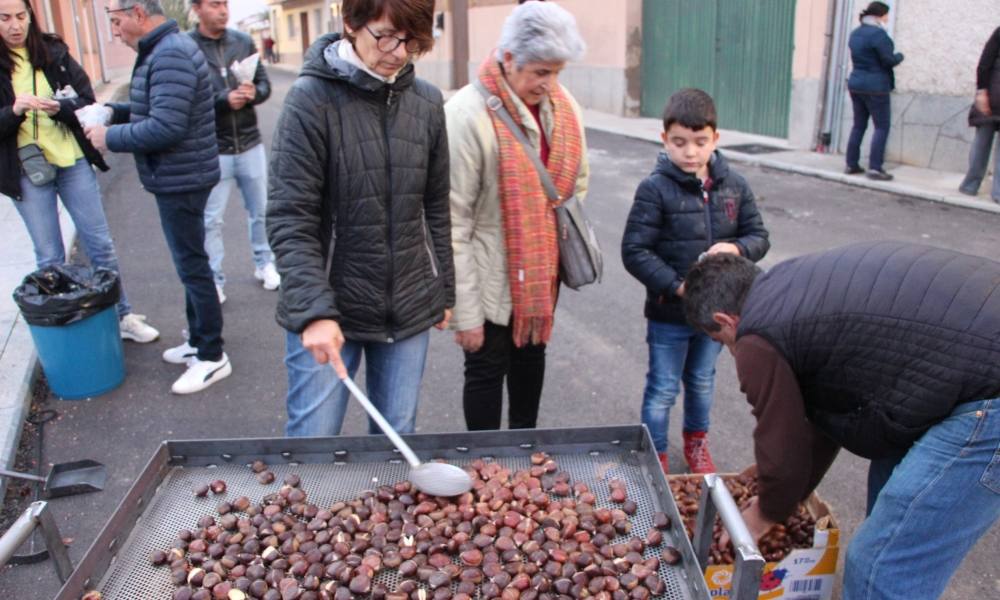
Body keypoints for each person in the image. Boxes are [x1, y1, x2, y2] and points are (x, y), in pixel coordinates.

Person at [682, 242, 1000, 600]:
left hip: (988, 396)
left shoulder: (756, 336)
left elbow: (783, 447)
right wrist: (782, 487)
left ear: (726, 320)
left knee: (880, 563)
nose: (727, 348)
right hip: (964, 370)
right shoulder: (788, 287)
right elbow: (822, 421)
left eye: (718, 339)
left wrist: (761, 516)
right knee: (888, 513)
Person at [267, 0, 454, 437]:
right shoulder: (310, 101)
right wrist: (313, 312)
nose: (398, 51)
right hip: (331, 306)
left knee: (396, 439)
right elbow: (289, 216)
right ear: (351, 23)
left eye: (412, 40)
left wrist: (444, 286)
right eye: (386, 35)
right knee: (313, 440)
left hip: (407, 303)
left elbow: (436, 205)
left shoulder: (426, 102)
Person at [446, 2, 589, 432]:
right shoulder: (467, 114)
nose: (549, 84)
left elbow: (575, 187)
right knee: (486, 374)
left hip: (539, 279)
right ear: (508, 59)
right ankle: (486, 465)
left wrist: (544, 237)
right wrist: (465, 312)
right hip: (489, 280)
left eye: (557, 72)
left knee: (531, 367)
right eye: (540, 72)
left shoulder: (565, 109)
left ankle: (523, 462)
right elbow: (454, 221)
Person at [621, 89, 769, 474]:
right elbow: (635, 251)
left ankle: (696, 445)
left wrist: (736, 249)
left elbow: (759, 236)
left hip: (715, 317)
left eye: (700, 143)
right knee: (663, 388)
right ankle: (654, 456)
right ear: (664, 139)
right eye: (680, 143)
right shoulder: (654, 190)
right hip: (669, 313)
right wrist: (677, 286)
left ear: (715, 140)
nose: (690, 153)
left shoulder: (733, 185)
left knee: (702, 381)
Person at [85, 0, 229, 395]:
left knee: (193, 267)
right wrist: (113, 112)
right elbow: (156, 107)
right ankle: (198, 341)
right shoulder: (164, 51)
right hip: (181, 175)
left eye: (116, 22)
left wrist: (108, 137)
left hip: (183, 178)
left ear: (139, 15)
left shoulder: (169, 55)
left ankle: (212, 355)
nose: (115, 31)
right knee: (190, 264)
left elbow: (166, 127)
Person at [0, 0, 159, 344]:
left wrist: (60, 108)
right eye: (5, 18)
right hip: (27, 170)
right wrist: (14, 110)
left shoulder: (53, 50)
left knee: (100, 244)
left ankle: (122, 315)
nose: (15, 25)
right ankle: (65, 330)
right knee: (50, 255)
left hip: (71, 160)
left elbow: (87, 100)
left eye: (21, 16)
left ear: (30, 17)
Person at [189, 0, 279, 304]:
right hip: (213, 148)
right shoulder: (188, 47)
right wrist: (222, 99)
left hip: (250, 142)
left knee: (262, 211)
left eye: (225, 4)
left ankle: (265, 263)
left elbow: (264, 85)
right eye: (215, 4)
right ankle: (214, 278)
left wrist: (254, 94)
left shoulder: (242, 41)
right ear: (197, 9)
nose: (223, 10)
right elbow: (188, 95)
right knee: (211, 218)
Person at [844, 1, 903, 181]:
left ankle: (851, 164)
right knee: (881, 126)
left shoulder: (855, 33)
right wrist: (899, 56)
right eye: (886, 15)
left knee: (859, 124)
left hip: (856, 83)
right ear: (880, 16)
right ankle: (875, 168)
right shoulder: (879, 35)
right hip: (876, 86)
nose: (887, 18)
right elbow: (888, 60)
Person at [959, 25, 1000, 203]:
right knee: (983, 141)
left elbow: (984, 63)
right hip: (993, 95)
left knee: (982, 142)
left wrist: (981, 90)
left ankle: (971, 185)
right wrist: (983, 91)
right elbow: (985, 63)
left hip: (992, 94)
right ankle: (997, 192)